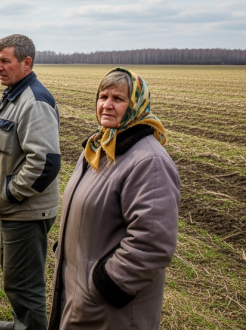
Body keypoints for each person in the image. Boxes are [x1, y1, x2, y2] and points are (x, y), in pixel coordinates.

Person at [48, 68, 180, 330]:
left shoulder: (149, 162)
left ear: (136, 106)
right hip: (79, 291)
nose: (107, 105)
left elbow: (153, 243)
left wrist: (105, 284)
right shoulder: (99, 147)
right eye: (102, 96)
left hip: (110, 309)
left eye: (118, 99)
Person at [0, 34, 62, 330]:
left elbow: (45, 163)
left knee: (26, 285)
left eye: (5, 61)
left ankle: (29, 326)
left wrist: (10, 194)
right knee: (15, 277)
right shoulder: (15, 95)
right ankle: (22, 323)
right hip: (16, 209)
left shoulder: (34, 101)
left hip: (26, 210)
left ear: (26, 63)